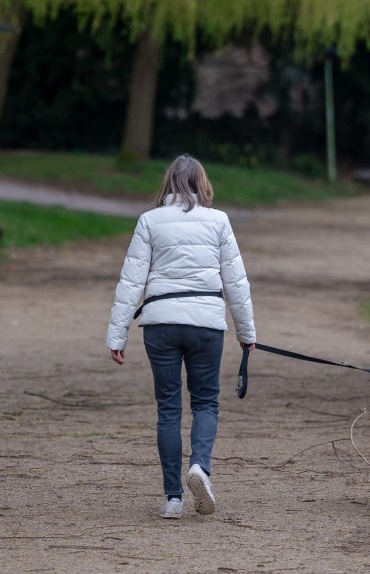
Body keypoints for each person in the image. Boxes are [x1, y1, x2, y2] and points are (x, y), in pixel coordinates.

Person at [107, 154, 256, 520]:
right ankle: (200, 467)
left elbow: (131, 280)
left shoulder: (149, 221)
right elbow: (236, 282)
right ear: (202, 183)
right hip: (206, 322)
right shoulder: (218, 220)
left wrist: (117, 333)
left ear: (169, 184)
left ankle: (173, 497)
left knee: (168, 408)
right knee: (205, 402)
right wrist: (247, 332)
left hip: (161, 324)